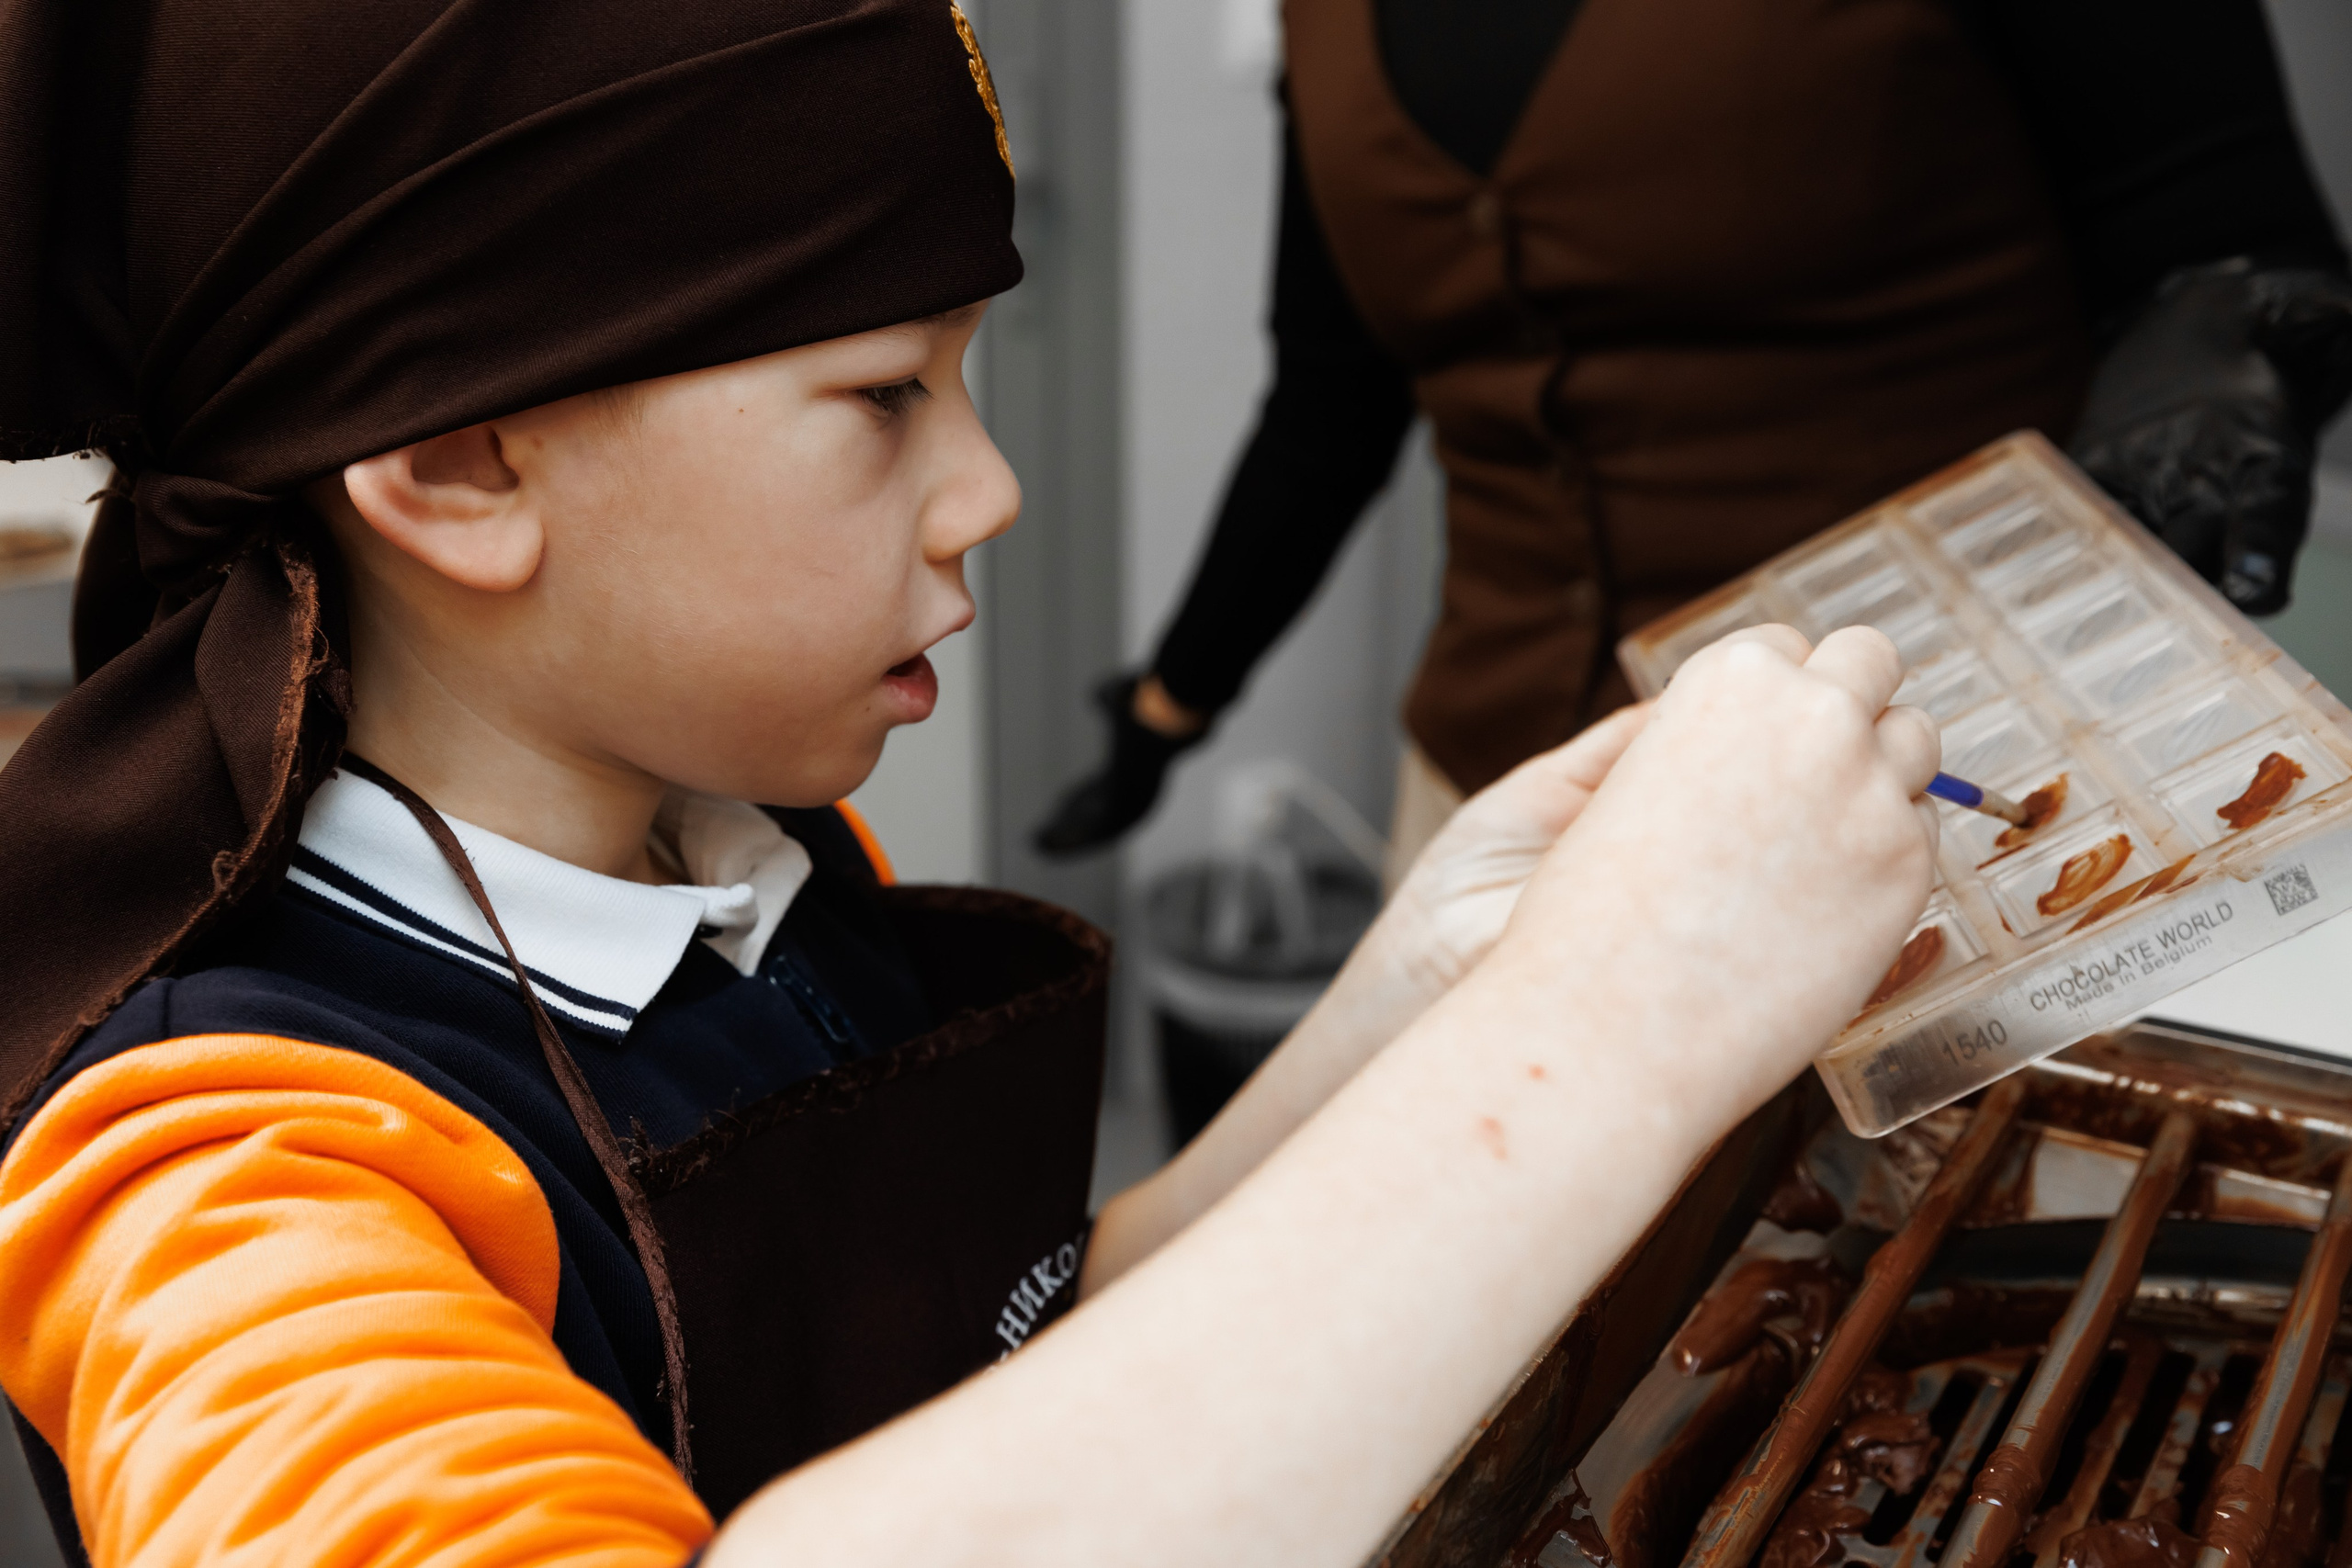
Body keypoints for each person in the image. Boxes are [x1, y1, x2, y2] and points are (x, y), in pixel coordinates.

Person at [0, 2, 1945, 1565]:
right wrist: (1616, 1018)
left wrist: (1439, 981)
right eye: (879, 394)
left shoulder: (746, 862)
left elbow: (1003, 1369)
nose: (989, 488)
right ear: (458, 470)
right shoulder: (231, 1174)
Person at [1034, 0, 2352, 867]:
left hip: (1934, 799)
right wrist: (1170, 703)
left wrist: (2219, 343)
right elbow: (1331, 403)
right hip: (1497, 804)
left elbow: (2244, 253)